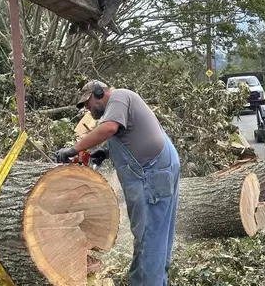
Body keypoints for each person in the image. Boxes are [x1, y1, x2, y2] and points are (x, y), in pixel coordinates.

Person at [55, 80, 180, 286]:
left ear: (98, 92)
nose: (88, 109)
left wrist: (74, 149)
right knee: (153, 235)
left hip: (152, 174)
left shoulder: (119, 96)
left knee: (150, 237)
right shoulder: (120, 106)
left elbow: (109, 128)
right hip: (157, 170)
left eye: (88, 103)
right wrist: (104, 152)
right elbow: (129, 136)